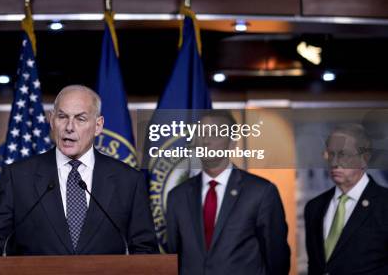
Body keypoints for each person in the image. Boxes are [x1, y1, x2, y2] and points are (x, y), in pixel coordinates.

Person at [0, 84, 158, 255]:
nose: (69, 127)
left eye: (80, 119)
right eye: (62, 117)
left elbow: (145, 250)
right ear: (52, 120)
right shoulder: (18, 177)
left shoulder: (128, 180)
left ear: (98, 125)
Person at [166, 111, 290, 275]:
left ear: (232, 144)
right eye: (201, 134)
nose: (205, 141)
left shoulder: (261, 192)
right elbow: (174, 256)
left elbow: (277, 259)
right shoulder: (177, 196)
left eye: (214, 134)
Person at [305, 123, 388, 275]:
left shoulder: (384, 204)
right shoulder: (314, 207)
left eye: (343, 154)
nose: (335, 163)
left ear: (364, 158)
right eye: (331, 154)